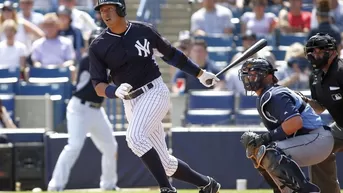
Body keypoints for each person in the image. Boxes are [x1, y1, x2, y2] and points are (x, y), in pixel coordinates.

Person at [89, 1, 221, 193]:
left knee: (134, 138)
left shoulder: (143, 31)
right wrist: (112, 91)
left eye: (109, 8)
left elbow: (172, 55)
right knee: (165, 163)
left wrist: (200, 74)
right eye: (102, 10)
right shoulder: (98, 45)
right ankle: (208, 184)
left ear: (121, 9)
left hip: (154, 91)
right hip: (130, 102)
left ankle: (166, 188)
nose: (105, 14)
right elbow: (97, 85)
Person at [238, 58, 334, 192]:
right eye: (247, 74)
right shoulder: (266, 95)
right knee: (259, 151)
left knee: (269, 152)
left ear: (268, 76)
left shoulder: (274, 95)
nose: (249, 78)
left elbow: (295, 123)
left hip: (317, 138)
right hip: (307, 138)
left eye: (253, 74)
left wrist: (266, 137)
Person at [47, 27, 119, 192]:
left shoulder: (107, 61)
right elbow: (99, 86)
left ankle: (109, 185)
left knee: (110, 146)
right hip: (80, 108)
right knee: (74, 145)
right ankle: (55, 185)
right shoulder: (88, 60)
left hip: (96, 110)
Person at [296, 33, 343, 193]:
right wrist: (304, 101)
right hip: (341, 126)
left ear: (333, 52)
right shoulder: (315, 76)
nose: (316, 55)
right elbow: (320, 107)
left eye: (320, 51)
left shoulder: (341, 70)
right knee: (318, 148)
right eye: (312, 52)